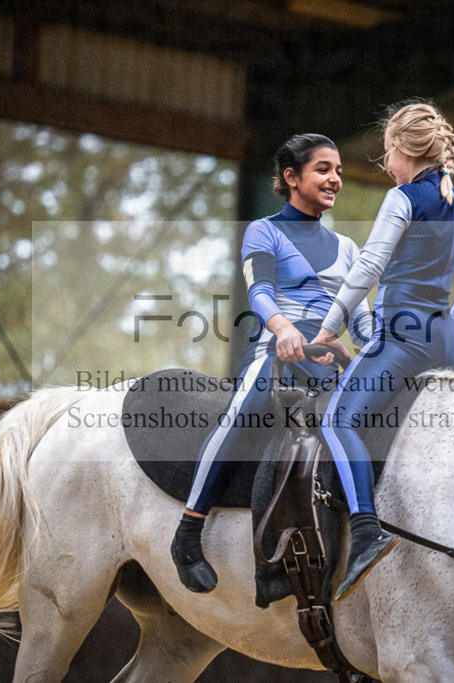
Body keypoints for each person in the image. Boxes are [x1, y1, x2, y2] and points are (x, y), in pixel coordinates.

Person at [171, 133, 372, 593]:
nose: (335, 178)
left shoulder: (348, 248)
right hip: (274, 352)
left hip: (326, 368)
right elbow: (259, 291)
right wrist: (284, 329)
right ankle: (188, 530)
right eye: (323, 169)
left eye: (338, 170)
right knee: (245, 409)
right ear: (291, 177)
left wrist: (385, 350)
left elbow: (360, 322)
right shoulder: (264, 230)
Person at [311, 100, 454, 600]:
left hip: (401, 335)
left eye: (387, 154)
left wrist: (330, 326)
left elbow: (367, 269)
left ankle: (366, 532)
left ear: (404, 151)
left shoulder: (404, 199)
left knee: (336, 422)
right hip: (446, 342)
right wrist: (442, 329)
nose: (386, 166)